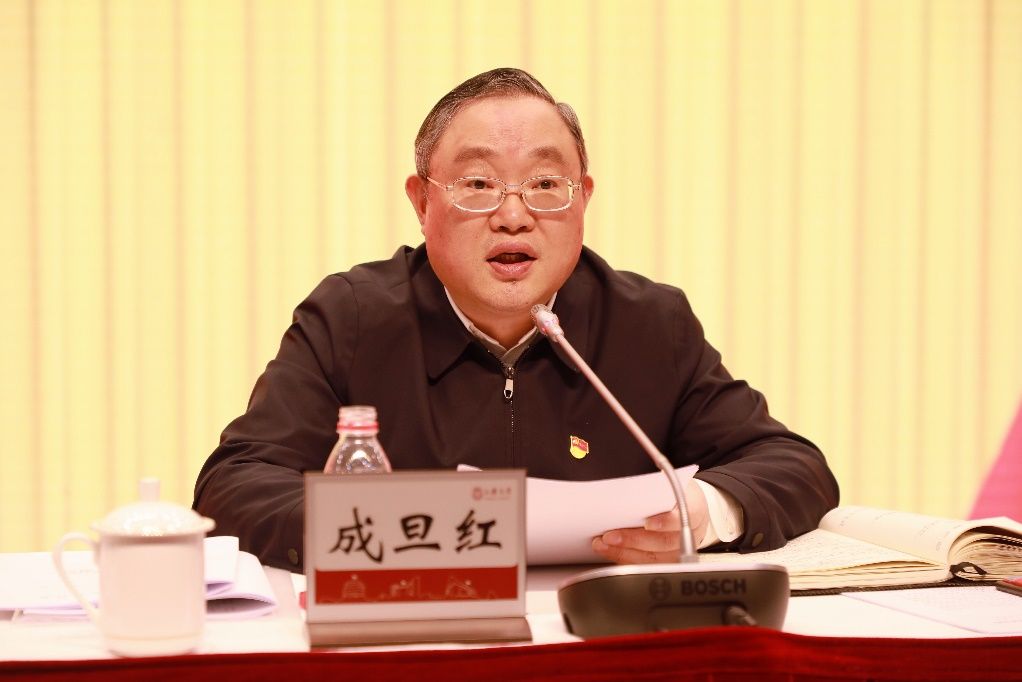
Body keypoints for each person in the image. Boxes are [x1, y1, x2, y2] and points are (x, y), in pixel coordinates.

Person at [193, 68, 839, 571]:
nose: (512, 216)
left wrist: (703, 513)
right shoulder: (354, 319)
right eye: (477, 184)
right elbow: (234, 486)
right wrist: (413, 532)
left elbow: (792, 464)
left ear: (583, 199)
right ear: (421, 202)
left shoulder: (648, 323)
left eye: (545, 185)